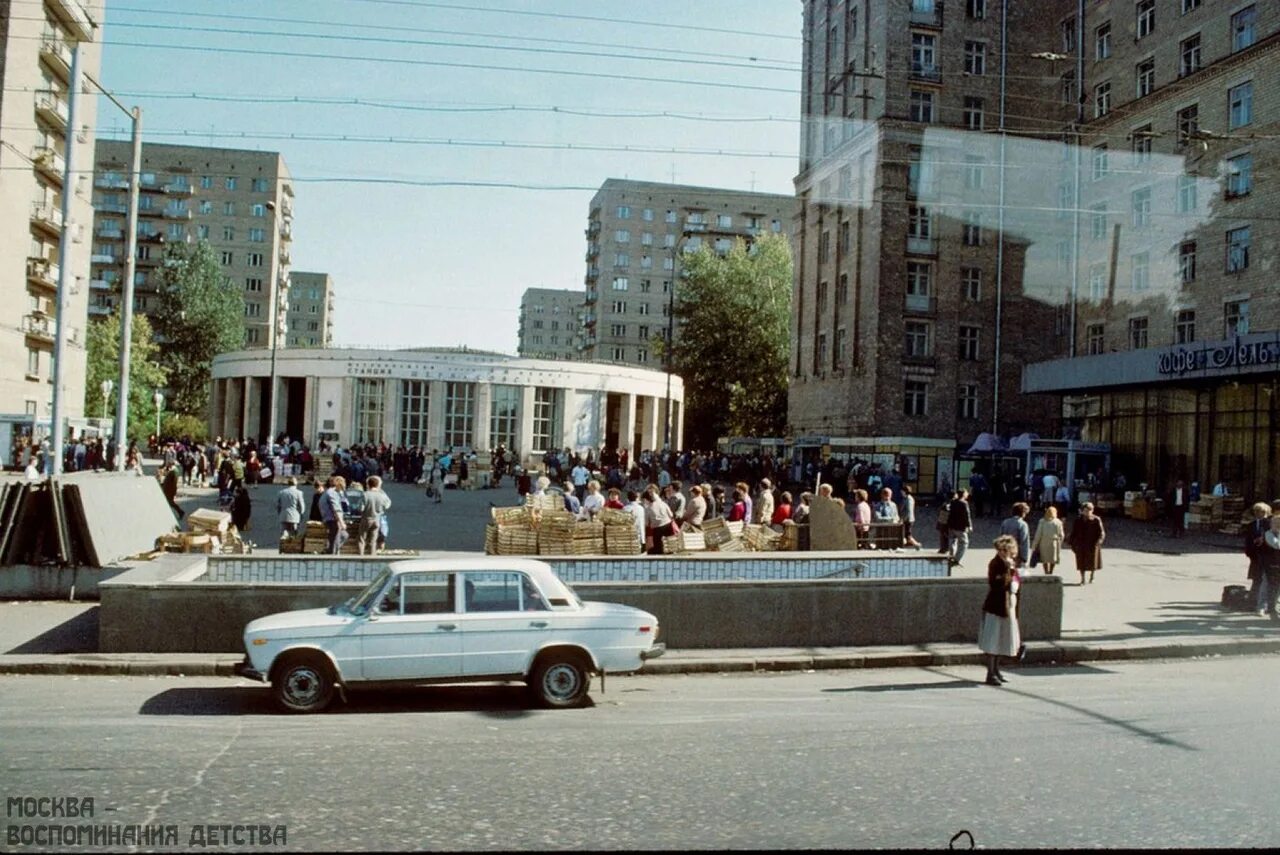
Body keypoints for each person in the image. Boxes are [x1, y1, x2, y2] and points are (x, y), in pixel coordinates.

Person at [979, 535, 1021, 686]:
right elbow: (997, 583)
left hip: (1007, 605)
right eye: (1001, 550)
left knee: (1001, 639)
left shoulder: (1009, 563)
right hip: (996, 606)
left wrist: (1012, 573)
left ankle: (996, 670)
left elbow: (1016, 582)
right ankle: (990, 673)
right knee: (993, 640)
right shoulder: (996, 563)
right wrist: (1008, 571)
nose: (1004, 552)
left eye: (1007, 550)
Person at [1066, 501, 1106, 584]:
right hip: (1081, 544)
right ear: (1082, 511)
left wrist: (1099, 541)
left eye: (1089, 510)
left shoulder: (1096, 520)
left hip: (1092, 544)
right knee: (1081, 562)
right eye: (1085, 510)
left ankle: (1092, 576)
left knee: (1093, 562)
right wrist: (1070, 542)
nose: (1087, 512)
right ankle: (1082, 578)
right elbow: (1074, 532)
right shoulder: (1078, 520)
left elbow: (1101, 532)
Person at [1244, 502, 1271, 613]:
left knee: (1265, 580)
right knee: (1256, 580)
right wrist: (1250, 553)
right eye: (1258, 511)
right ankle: (1252, 603)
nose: (1260, 514)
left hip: (1266, 556)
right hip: (1255, 557)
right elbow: (1248, 541)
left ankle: (1264, 604)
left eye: (1263, 512)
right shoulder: (1251, 525)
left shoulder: (1269, 524)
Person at [357, 475, 392, 555]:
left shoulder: (365, 495)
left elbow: (360, 508)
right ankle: (372, 556)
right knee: (373, 540)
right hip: (377, 519)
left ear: (368, 484)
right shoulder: (382, 495)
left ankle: (361, 556)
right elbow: (387, 505)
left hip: (366, 518)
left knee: (362, 539)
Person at [1031, 506, 1065, 575]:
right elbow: (1061, 535)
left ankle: (1046, 572)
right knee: (1053, 559)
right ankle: (1051, 571)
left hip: (1043, 543)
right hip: (1054, 543)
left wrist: (1035, 544)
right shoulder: (1058, 522)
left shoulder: (1042, 521)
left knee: (1045, 559)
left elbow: (1038, 534)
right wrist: (1060, 542)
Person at [643, 487, 677, 555]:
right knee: (670, 543)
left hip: (657, 528)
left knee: (658, 546)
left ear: (646, 499)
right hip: (668, 524)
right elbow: (671, 514)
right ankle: (672, 552)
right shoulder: (663, 503)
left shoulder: (648, 508)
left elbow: (647, 523)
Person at [321, 476, 349, 554]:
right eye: (343, 484)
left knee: (343, 535)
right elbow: (336, 509)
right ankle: (332, 555)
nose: (344, 486)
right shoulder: (332, 493)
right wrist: (341, 521)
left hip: (329, 519)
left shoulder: (329, 492)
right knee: (335, 538)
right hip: (333, 519)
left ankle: (329, 550)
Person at [1259, 514, 1280, 620]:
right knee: (1266, 584)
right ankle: (1262, 606)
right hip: (1270, 563)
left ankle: (1274, 607)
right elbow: (1277, 545)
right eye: (1276, 523)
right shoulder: (1269, 534)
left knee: (1277, 587)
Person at [999, 502, 1031, 568]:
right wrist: (1024, 558)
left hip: (1005, 553)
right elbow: (1024, 542)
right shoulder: (1023, 524)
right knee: (1016, 575)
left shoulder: (1005, 522)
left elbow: (1000, 538)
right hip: (1017, 554)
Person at [947, 489, 973, 567]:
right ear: (963, 495)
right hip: (961, 527)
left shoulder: (953, 502)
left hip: (952, 526)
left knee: (952, 541)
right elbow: (967, 516)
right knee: (964, 543)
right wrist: (969, 526)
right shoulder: (964, 503)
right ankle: (956, 559)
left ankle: (951, 556)